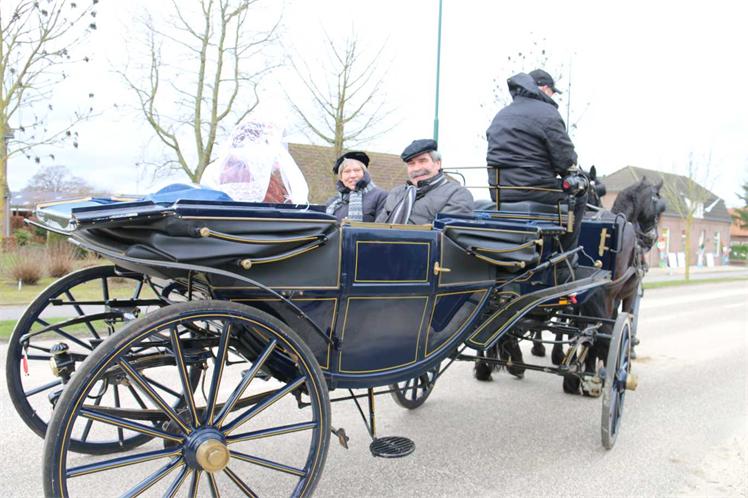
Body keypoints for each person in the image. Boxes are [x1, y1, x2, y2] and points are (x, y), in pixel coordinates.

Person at [485, 69, 587, 253]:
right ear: (544, 88)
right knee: (580, 195)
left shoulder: (501, 114)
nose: (553, 96)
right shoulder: (547, 113)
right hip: (535, 191)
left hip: (500, 193)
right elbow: (566, 161)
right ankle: (566, 257)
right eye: (553, 92)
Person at [376, 139, 473, 224]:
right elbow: (377, 227)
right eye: (411, 164)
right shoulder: (396, 193)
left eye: (422, 161)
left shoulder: (457, 194)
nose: (416, 168)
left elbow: (446, 235)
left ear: (437, 164)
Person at [325, 151, 387, 222]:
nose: (353, 175)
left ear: (364, 173)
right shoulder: (333, 202)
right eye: (347, 171)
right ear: (341, 177)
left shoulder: (381, 197)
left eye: (357, 170)